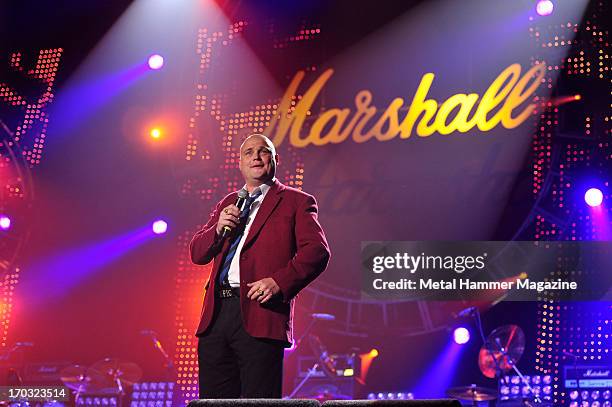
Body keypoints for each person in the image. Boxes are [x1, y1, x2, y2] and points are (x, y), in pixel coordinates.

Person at [190, 133, 330, 399]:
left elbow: (317, 251)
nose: (255, 156)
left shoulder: (297, 201)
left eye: (263, 151)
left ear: (275, 160)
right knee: (214, 402)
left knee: (259, 400)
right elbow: (197, 253)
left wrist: (279, 282)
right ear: (240, 164)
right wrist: (218, 229)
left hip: (260, 312)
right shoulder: (228, 202)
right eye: (248, 152)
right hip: (216, 315)